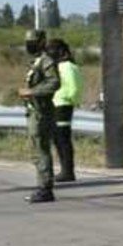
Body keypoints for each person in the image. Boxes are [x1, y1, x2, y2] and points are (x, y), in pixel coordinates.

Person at [19, 29, 61, 204]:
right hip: (34, 111)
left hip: (41, 113)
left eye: (33, 41)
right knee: (36, 151)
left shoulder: (46, 61)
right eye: (28, 41)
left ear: (42, 42)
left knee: (40, 150)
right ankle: (42, 185)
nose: (29, 44)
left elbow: (54, 82)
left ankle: (45, 188)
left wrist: (32, 92)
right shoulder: (35, 62)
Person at [47, 38, 82, 183]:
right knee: (58, 139)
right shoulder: (60, 66)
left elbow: (74, 87)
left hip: (62, 105)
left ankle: (68, 171)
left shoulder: (67, 66)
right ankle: (64, 170)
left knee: (63, 139)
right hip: (56, 104)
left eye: (51, 49)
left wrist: (68, 99)